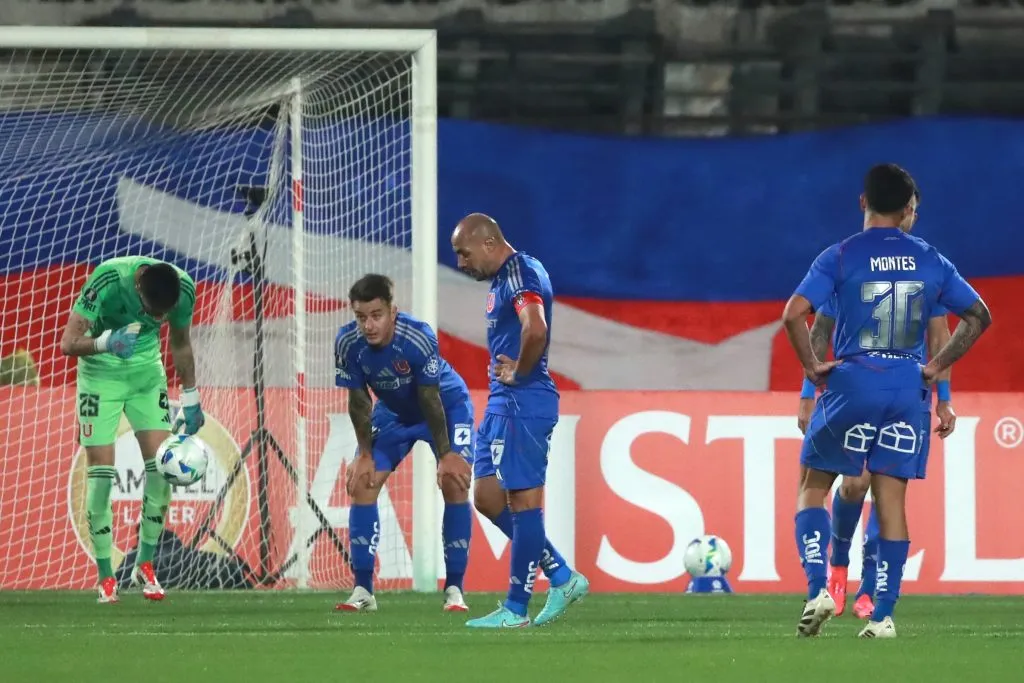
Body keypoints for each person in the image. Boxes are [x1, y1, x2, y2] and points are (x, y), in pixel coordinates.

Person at [782, 164, 991, 639]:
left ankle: (819, 588)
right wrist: (936, 375)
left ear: (863, 202)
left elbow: (799, 316)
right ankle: (883, 615)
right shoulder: (931, 259)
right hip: (906, 389)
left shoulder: (840, 258)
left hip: (854, 382)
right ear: (908, 211)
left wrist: (813, 374)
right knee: (890, 498)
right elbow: (977, 316)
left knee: (814, 485)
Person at [794, 191, 956, 619]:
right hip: (860, 387)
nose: (915, 216)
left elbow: (940, 340)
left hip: (896, 391)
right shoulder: (854, 261)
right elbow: (821, 328)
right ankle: (839, 566)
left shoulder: (923, 264)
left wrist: (944, 399)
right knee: (854, 486)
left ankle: (869, 585)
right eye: (913, 207)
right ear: (902, 209)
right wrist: (809, 394)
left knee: (880, 487)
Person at [452, 213, 589, 628]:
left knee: (524, 504)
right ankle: (562, 576)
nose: (460, 263)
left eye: (464, 253)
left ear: (490, 243)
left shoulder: (521, 274)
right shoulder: (507, 277)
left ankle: (515, 608)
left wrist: (520, 372)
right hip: (502, 403)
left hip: (523, 401)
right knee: (488, 498)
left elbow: (536, 329)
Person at [60, 256, 204, 603]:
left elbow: (181, 342)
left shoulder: (182, 289)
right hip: (100, 376)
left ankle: (145, 564)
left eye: (162, 315)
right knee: (101, 474)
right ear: (138, 286)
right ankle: (107, 576)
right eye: (153, 312)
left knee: (162, 467)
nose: (157, 319)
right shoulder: (107, 280)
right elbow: (68, 343)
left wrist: (191, 395)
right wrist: (106, 342)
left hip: (145, 376)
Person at [334, 274, 474, 613]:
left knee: (454, 483)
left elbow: (430, 399)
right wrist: (365, 453)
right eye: (361, 316)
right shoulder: (347, 343)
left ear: (392, 311)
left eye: (376, 315)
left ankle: (455, 590)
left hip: (447, 405)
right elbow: (358, 401)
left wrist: (446, 456)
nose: (368, 325)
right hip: (394, 413)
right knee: (363, 484)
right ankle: (363, 591)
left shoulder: (418, 337)